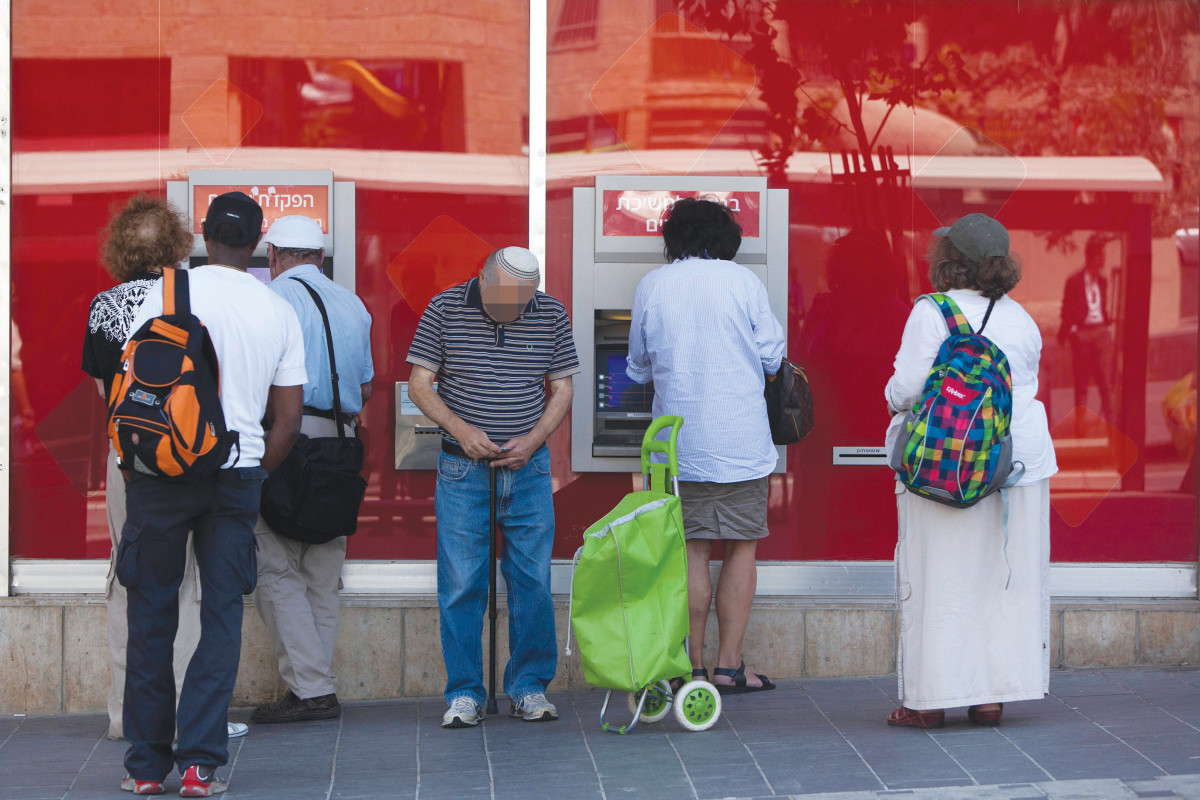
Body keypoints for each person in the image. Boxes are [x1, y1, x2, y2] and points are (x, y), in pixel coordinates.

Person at [118, 191, 306, 796]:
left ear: (201, 233)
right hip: (236, 478)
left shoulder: (156, 292)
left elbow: (124, 393)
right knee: (221, 616)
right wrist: (252, 469)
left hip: (158, 480)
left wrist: (137, 468)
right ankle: (200, 764)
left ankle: (146, 768)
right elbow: (289, 419)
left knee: (151, 616)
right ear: (257, 244)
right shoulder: (277, 308)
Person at [81, 195, 249, 745]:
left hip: (129, 457)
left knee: (132, 579)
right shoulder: (187, 294)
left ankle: (125, 716)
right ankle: (189, 717)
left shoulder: (106, 306)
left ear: (118, 244)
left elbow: (105, 392)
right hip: (193, 451)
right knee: (191, 585)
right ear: (179, 242)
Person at [884, 213, 1057, 728]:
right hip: (1016, 464)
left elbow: (909, 389)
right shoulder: (1021, 318)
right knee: (1000, 583)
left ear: (948, 261)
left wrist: (891, 399)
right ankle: (990, 698)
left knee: (939, 579)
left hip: (946, 463)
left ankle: (928, 702)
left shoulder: (932, 312)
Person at [405, 246, 579, 729]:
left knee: (532, 582)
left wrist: (534, 439)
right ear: (481, 278)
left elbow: (562, 387)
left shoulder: (549, 312)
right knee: (462, 583)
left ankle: (528, 687)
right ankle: (464, 693)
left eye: (522, 303)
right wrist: (461, 430)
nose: (513, 312)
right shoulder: (444, 308)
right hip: (463, 469)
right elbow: (420, 384)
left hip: (528, 469)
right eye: (505, 302)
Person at [626, 197, 785, 695]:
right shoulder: (744, 283)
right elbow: (773, 358)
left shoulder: (652, 285)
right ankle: (729, 666)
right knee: (741, 549)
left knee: (691, 551)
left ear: (673, 239)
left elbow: (636, 366)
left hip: (679, 444)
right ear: (725, 238)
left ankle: (691, 668)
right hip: (741, 440)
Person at [250, 215, 374, 724]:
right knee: (322, 573)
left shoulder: (268, 299)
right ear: (321, 257)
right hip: (340, 447)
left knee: (273, 567)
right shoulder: (354, 304)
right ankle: (311, 688)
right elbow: (364, 388)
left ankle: (314, 689)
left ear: (274, 255)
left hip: (284, 441)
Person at [1059, 233, 1115, 423]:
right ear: (1093, 257)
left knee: (1105, 383)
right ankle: (1080, 426)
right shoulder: (1074, 281)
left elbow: (1103, 308)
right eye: (1101, 255)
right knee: (1081, 384)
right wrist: (1073, 330)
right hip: (1082, 335)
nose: (1104, 259)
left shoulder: (1103, 281)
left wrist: (1107, 328)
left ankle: (1111, 423)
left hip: (1101, 334)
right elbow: (1066, 307)